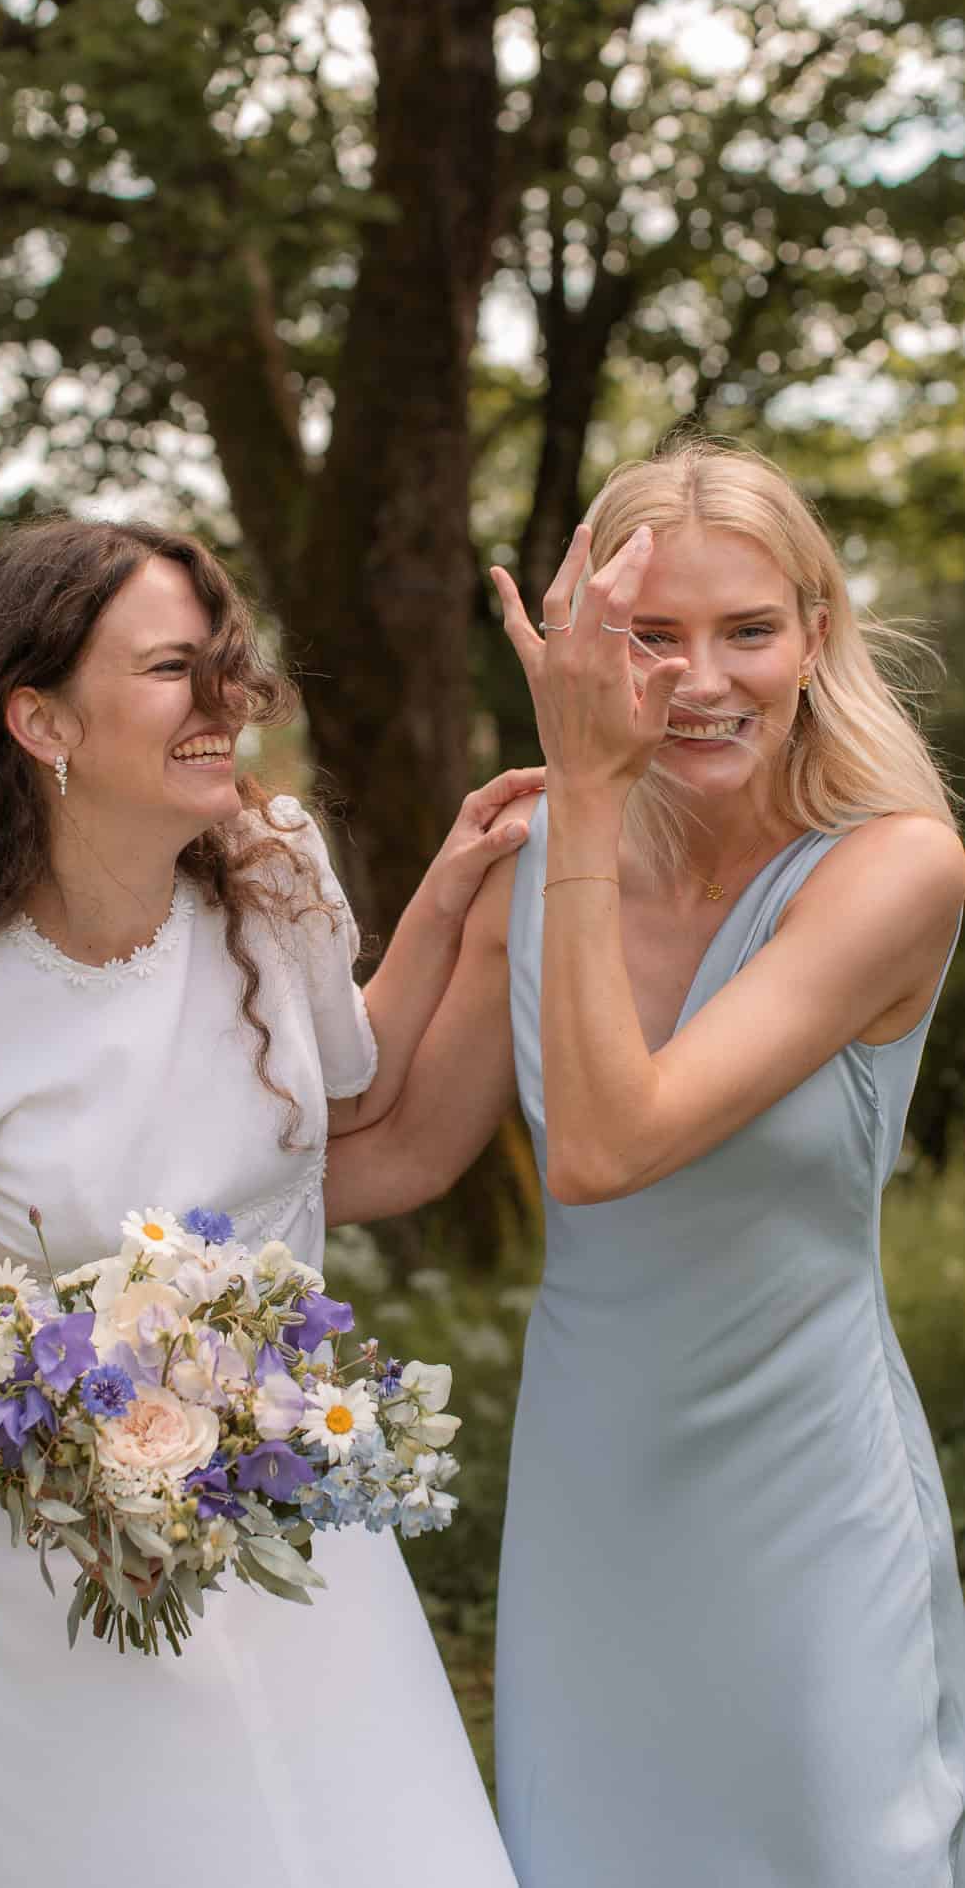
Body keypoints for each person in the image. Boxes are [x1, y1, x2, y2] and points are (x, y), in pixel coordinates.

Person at [0, 517, 532, 1888]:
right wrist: (90, 1479)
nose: (226, 696)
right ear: (40, 721)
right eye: (172, 669)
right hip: (57, 1579)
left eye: (224, 660)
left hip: (294, 1533)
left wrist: (455, 898)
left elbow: (343, 1099)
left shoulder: (272, 876)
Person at [325, 438, 965, 1886]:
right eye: (651, 636)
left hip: (806, 1483)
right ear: (586, 648)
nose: (700, 679)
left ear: (816, 635)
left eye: (748, 630)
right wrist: (102, 1233)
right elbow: (400, 1154)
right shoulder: (544, 854)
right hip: (592, 1481)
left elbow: (610, 1147)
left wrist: (586, 796)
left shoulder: (896, 867)